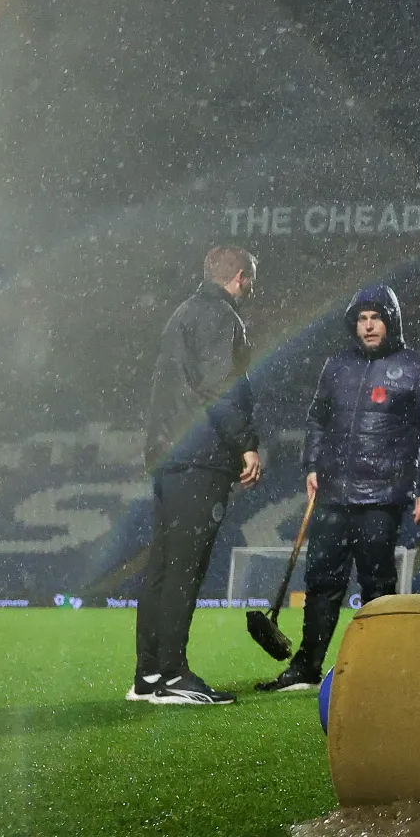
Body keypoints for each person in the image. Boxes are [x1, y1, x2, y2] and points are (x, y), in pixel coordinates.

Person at [258, 284, 420, 692]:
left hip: (382, 496)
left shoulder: (418, 368)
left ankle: (386, 666)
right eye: (361, 319)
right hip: (331, 493)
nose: (368, 327)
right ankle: (307, 667)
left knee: (377, 584)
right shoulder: (337, 366)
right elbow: (317, 419)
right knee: (322, 581)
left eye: (375, 318)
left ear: (391, 321)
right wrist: (311, 464)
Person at [135, 246, 262, 705]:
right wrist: (246, 443)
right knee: (184, 569)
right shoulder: (219, 317)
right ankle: (172, 675)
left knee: (164, 568)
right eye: (251, 280)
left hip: (168, 455)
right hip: (199, 454)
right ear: (242, 277)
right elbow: (219, 385)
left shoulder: (184, 312)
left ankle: (149, 674)